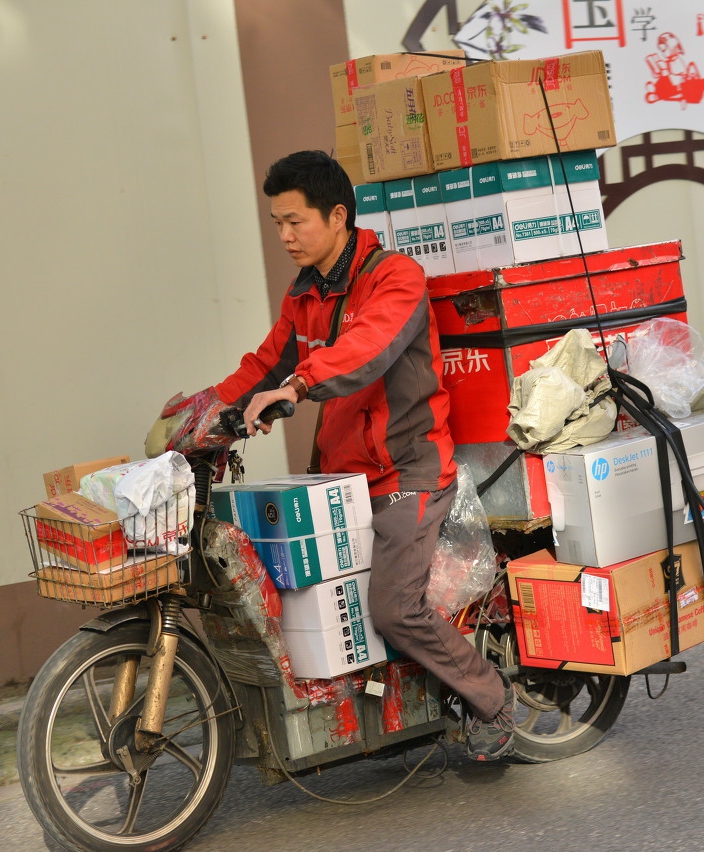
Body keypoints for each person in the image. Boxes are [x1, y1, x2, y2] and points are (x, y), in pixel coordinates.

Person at [194, 150, 514, 760]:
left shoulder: (396, 278)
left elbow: (367, 348)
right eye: (276, 224)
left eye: (295, 221)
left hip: (407, 474)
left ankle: (494, 700)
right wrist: (205, 410)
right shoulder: (305, 293)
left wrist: (298, 386)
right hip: (340, 479)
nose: (284, 236)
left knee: (393, 610)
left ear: (337, 215)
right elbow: (266, 362)